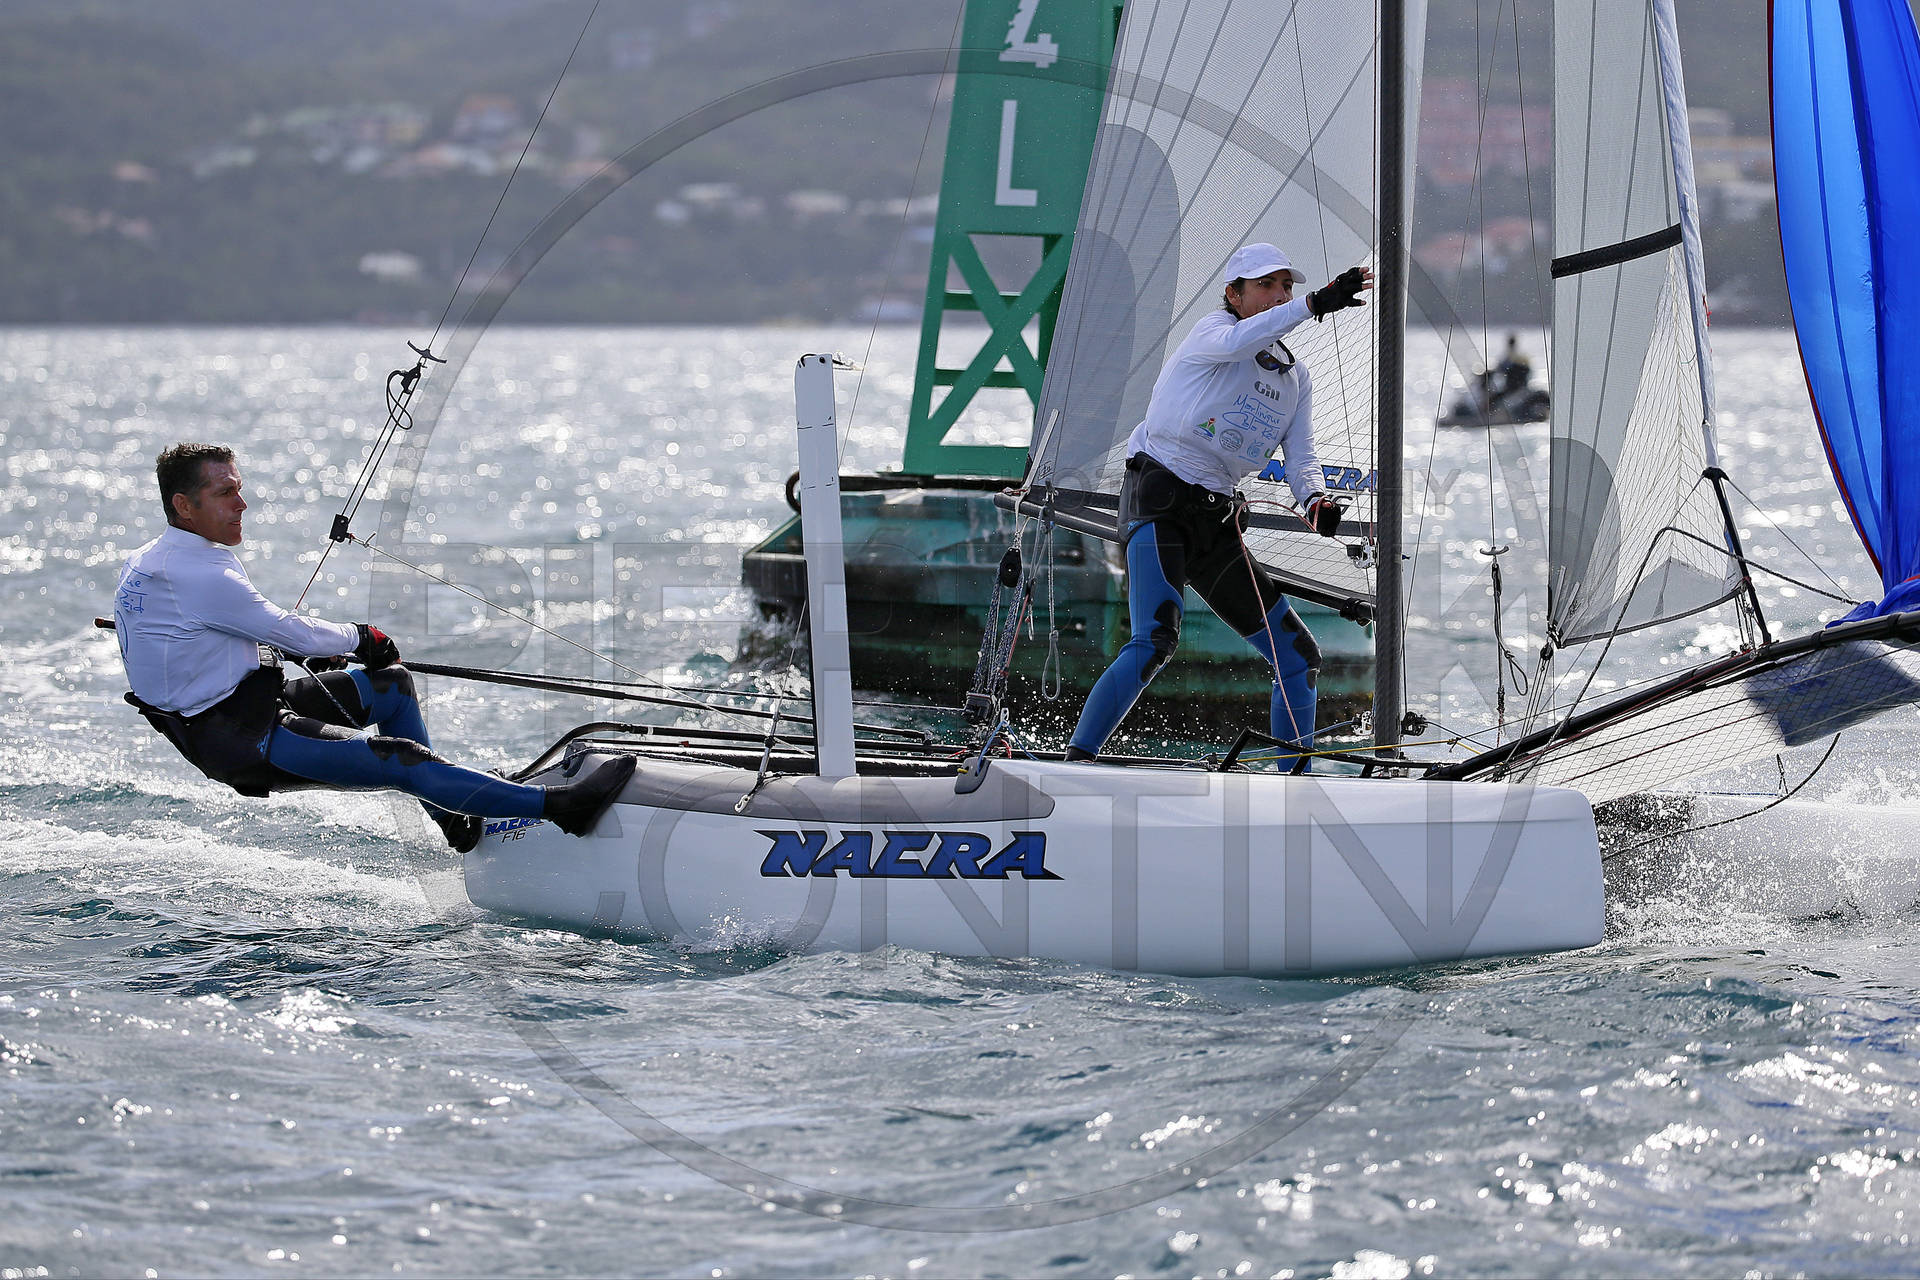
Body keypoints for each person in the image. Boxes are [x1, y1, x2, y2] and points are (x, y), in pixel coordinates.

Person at [112, 443, 633, 851]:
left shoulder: (150, 561)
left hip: (249, 705)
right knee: (399, 760)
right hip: (243, 739)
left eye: (239, 488)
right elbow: (284, 629)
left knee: (391, 687)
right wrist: (363, 638)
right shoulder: (200, 573)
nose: (242, 503)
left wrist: (297, 651)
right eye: (226, 492)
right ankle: (563, 808)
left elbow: (199, 641)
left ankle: (452, 816)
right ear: (184, 505)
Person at [1064, 243, 1372, 769]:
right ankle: (1076, 764)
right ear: (1234, 294)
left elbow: (1301, 457)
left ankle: (1294, 786)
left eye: (1286, 287)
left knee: (1299, 656)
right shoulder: (1213, 333)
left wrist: (1314, 498)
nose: (1280, 295)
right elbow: (1240, 340)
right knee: (1156, 639)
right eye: (1266, 285)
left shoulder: (1294, 378)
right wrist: (1315, 303)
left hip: (1216, 520)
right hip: (1160, 499)